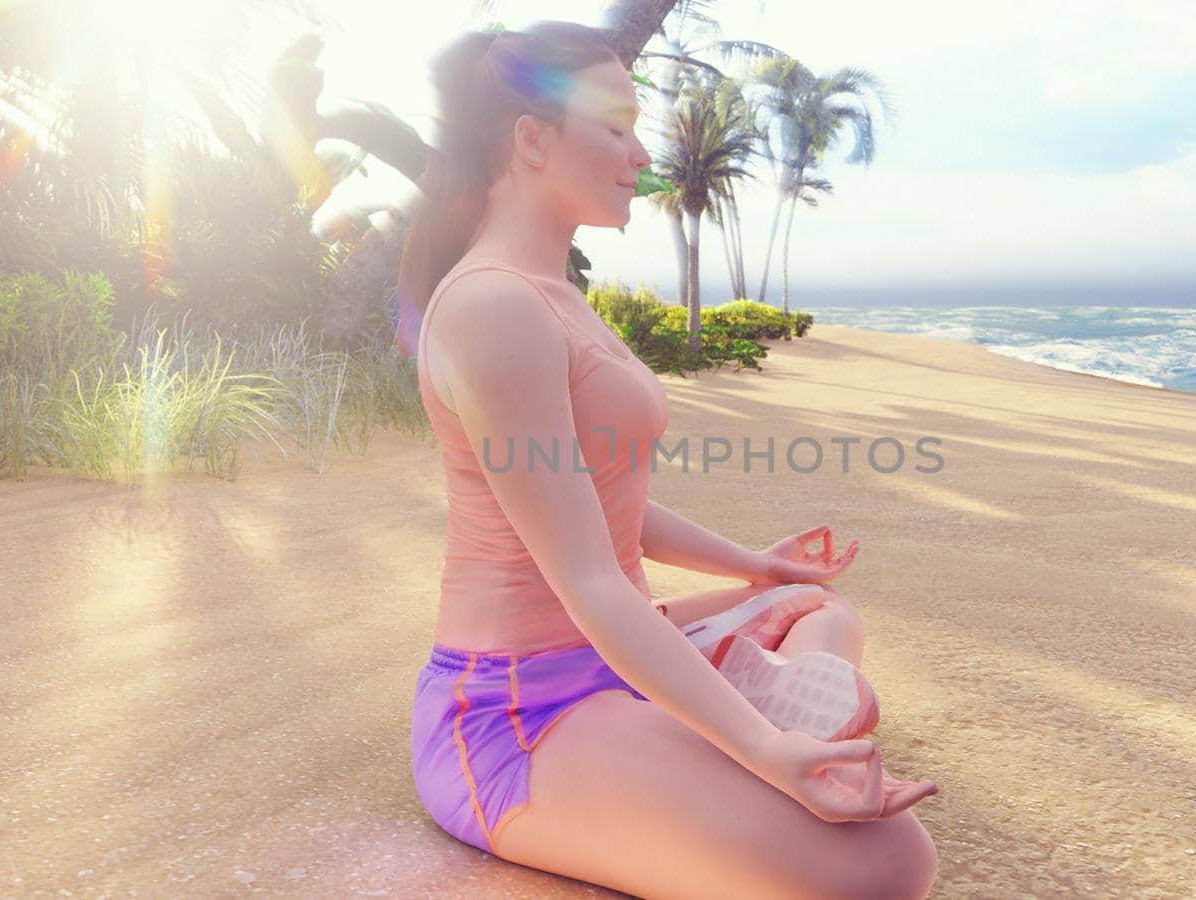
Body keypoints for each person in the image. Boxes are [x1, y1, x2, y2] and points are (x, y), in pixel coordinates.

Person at [400, 20, 940, 899]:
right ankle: (741, 716)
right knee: (889, 865)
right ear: (531, 139)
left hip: (616, 650)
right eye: (615, 128)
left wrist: (752, 565)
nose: (640, 153)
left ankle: (729, 700)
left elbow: (607, 504)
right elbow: (588, 574)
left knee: (807, 599)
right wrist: (767, 756)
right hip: (522, 708)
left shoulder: (557, 298)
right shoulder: (493, 309)